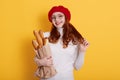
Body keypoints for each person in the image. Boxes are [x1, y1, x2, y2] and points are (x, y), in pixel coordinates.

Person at [34, 5, 89, 80]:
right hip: (47, 78)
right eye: (53, 17)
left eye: (60, 16)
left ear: (66, 18)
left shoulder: (74, 39)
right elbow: (36, 59)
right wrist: (42, 62)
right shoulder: (45, 36)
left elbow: (77, 67)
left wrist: (82, 51)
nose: (56, 19)